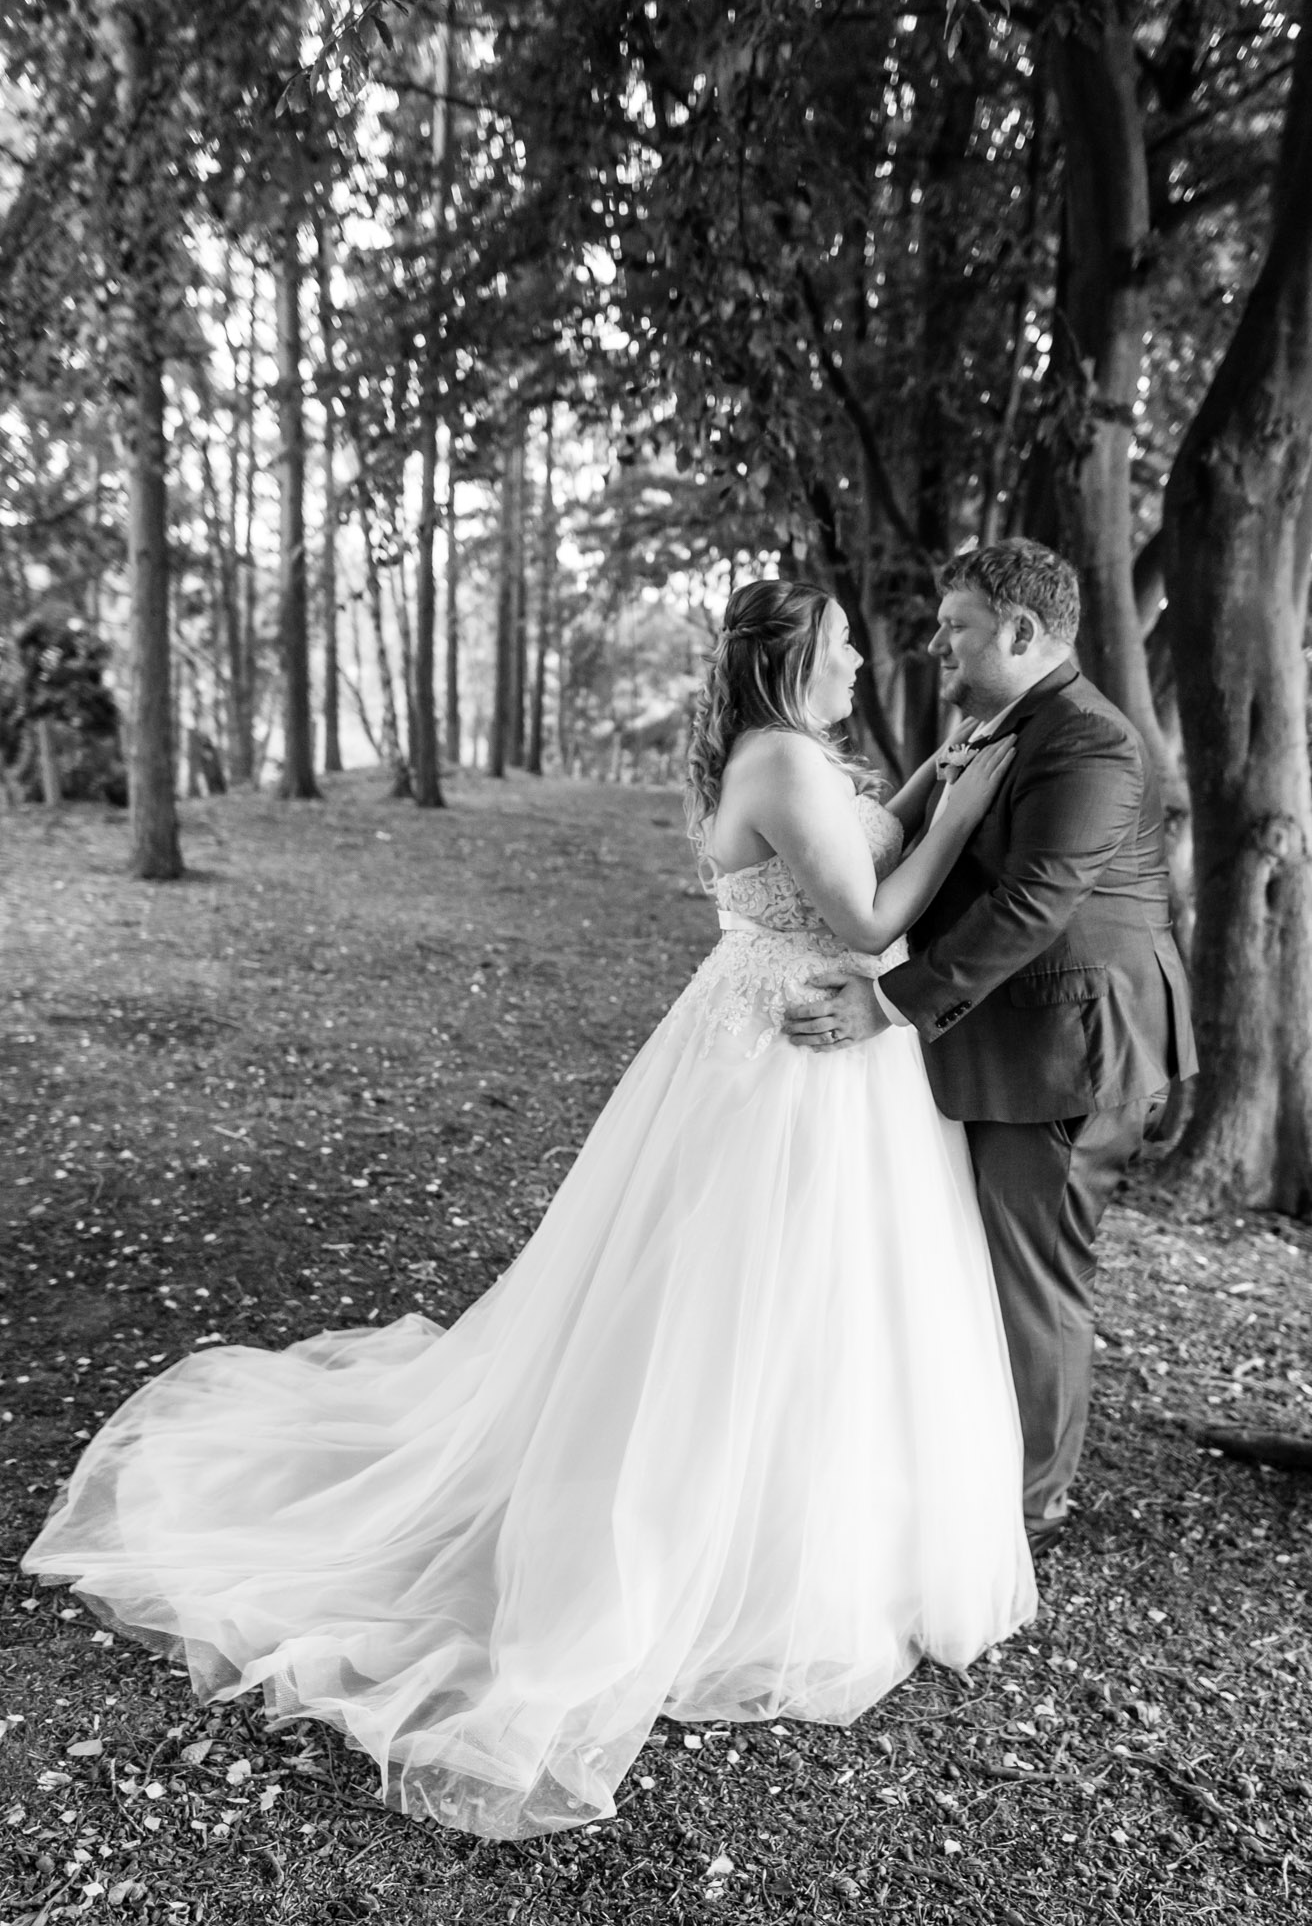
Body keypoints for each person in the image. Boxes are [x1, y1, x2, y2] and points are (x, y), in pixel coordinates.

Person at [22, 579, 1035, 1842]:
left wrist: (934, 782)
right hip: (786, 1061)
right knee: (751, 1294)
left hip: (816, 1048)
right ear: (791, 661)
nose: (856, 666)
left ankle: (810, 1526)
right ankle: (706, 1542)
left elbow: (862, 833)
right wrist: (970, 809)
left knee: (824, 1303)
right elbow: (874, 909)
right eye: (838, 648)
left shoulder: (794, 752)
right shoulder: (779, 756)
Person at [787, 540, 1197, 1556]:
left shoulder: (1091, 741)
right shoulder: (997, 723)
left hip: (1071, 1054)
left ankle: (1029, 1507)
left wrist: (888, 1003)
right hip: (1007, 1044)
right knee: (984, 1265)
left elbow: (1034, 902)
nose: (936, 643)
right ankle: (983, 1468)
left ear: (1019, 630)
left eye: (955, 624)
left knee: (1034, 1279)